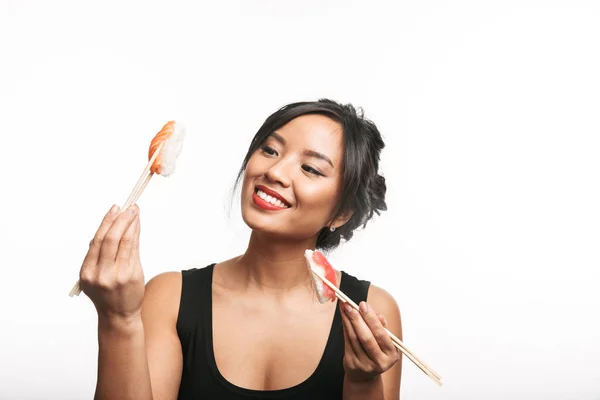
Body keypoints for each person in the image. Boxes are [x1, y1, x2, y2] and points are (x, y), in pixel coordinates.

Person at [79, 99, 403, 400]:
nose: (274, 172)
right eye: (271, 150)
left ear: (341, 213)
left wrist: (364, 382)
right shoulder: (168, 298)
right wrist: (118, 320)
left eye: (310, 169)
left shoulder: (371, 311)